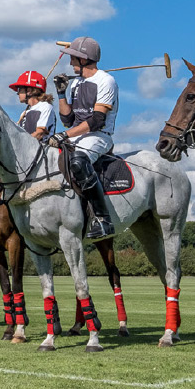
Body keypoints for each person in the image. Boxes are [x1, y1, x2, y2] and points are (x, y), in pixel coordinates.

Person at [54, 37, 118, 241]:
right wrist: (61, 93)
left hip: (98, 136)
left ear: (84, 60)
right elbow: (68, 119)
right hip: (77, 134)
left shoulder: (105, 81)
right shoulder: (76, 84)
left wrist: (64, 135)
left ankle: (103, 219)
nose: (71, 62)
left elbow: (98, 120)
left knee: (78, 161)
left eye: (73, 58)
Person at [12, 71, 56, 138]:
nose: (18, 93)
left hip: (43, 147)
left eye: (19, 89)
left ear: (29, 91)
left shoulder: (45, 107)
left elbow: (39, 134)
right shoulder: (24, 113)